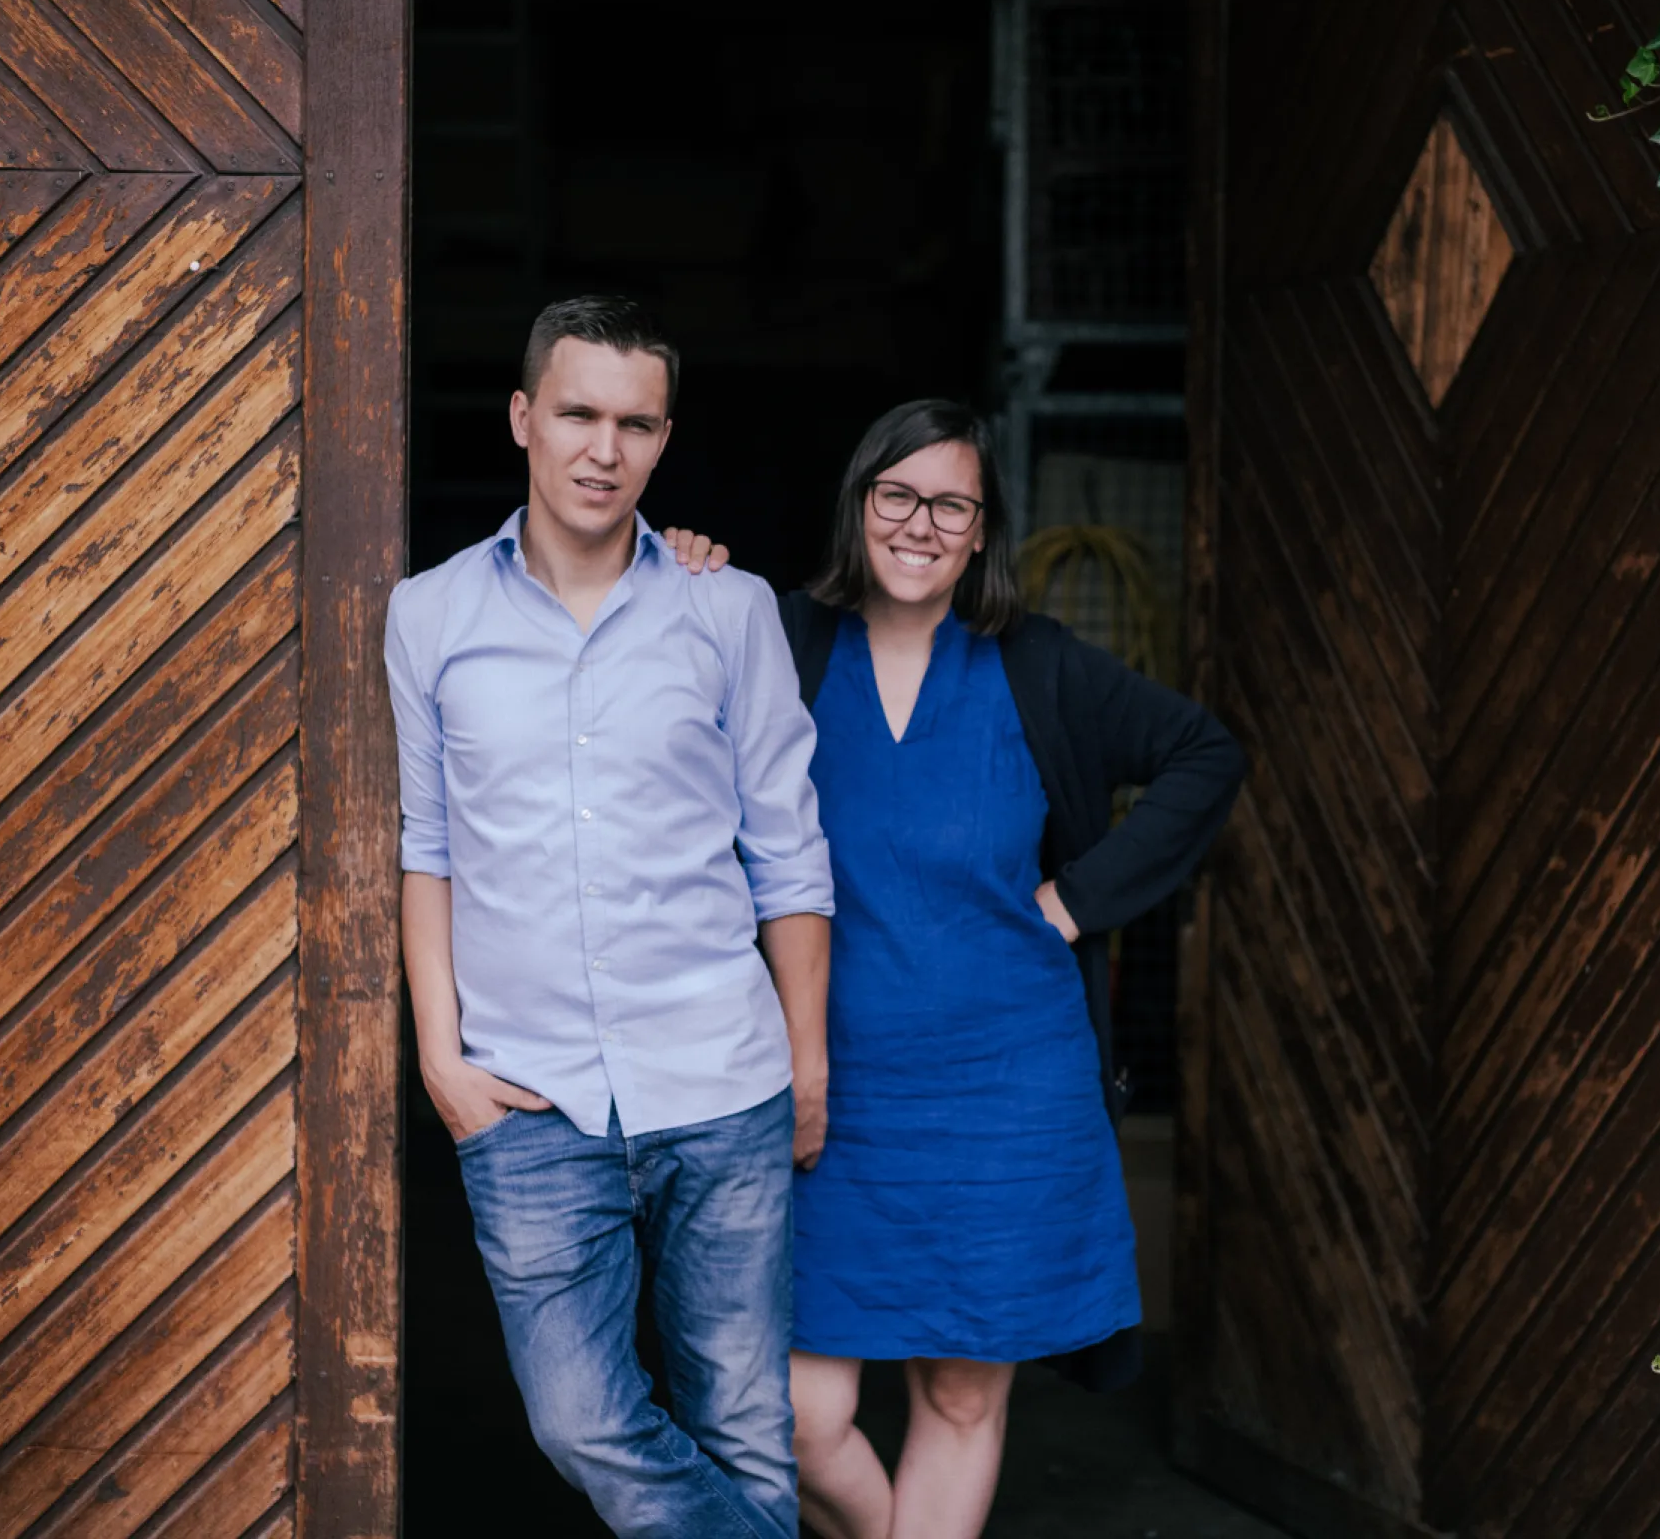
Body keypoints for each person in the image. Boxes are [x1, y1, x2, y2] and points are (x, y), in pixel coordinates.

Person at [668, 399, 1244, 1539]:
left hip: (1006, 1092)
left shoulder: (1034, 667)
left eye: (951, 504)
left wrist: (1075, 899)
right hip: (819, 1090)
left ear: (981, 531)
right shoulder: (780, 639)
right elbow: (630, 692)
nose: (920, 524)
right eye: (897, 495)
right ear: (858, 506)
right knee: (794, 1412)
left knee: (958, 1394)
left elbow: (1202, 752)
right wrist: (673, 573)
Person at [384, 295, 832, 1539]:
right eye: (577, 413)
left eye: (633, 424)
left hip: (721, 1080)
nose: (603, 448)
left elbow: (788, 856)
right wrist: (441, 1058)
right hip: (528, 1099)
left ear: (662, 438)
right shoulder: (427, 617)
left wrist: (804, 1063)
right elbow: (429, 849)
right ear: (524, 417)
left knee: (743, 1421)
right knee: (579, 1418)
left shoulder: (726, 610)